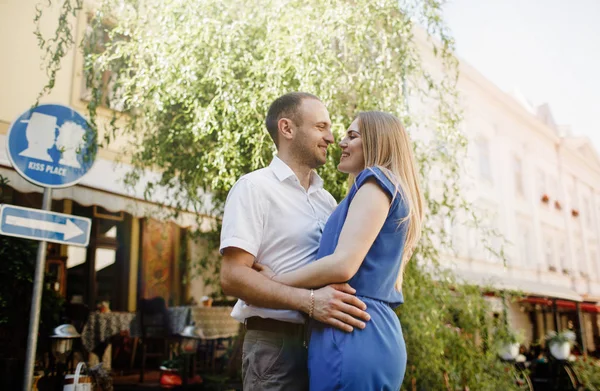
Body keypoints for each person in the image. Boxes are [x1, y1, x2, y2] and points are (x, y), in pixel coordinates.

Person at [255, 111, 424, 390]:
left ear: (377, 142)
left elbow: (343, 264)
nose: (341, 142)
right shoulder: (385, 188)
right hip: (360, 328)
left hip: (351, 329)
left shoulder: (375, 179)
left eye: (353, 136)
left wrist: (272, 283)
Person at [219, 92, 371, 391]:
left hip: (324, 344)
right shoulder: (253, 188)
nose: (332, 138)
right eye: (321, 127)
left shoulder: (327, 201)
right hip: (274, 346)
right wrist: (310, 303)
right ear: (287, 129)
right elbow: (232, 276)